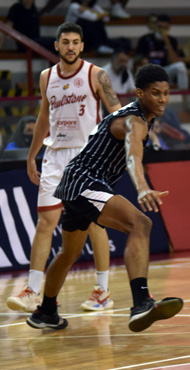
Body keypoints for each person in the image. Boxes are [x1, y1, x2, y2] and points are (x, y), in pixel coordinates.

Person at [26, 63, 184, 331]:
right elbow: (134, 155)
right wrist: (142, 187)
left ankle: (45, 312)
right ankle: (141, 302)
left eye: (166, 93)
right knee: (141, 224)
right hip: (85, 181)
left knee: (69, 252)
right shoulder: (135, 121)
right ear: (140, 93)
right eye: (155, 93)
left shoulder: (136, 116)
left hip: (75, 181)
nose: (162, 99)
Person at [6, 22, 120, 314]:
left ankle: (103, 291)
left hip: (87, 158)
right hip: (54, 156)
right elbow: (43, 117)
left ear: (82, 46)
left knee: (94, 223)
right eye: (65, 42)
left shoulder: (96, 74)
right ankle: (32, 290)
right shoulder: (47, 77)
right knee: (45, 223)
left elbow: (117, 115)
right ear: (56, 45)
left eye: (75, 42)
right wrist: (32, 155)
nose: (70, 46)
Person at [40, 0, 130, 19]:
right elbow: (93, 18)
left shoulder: (93, 6)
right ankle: (46, 10)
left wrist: (91, 10)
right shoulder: (74, 6)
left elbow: (106, 18)